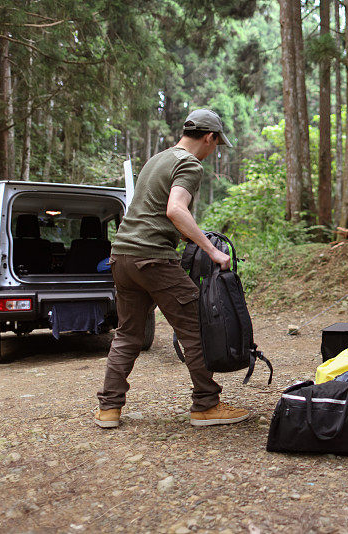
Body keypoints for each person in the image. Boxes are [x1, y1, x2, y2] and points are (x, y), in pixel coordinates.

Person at [95, 109, 250, 429]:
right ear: (209, 137)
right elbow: (175, 209)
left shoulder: (157, 160)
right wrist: (213, 252)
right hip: (152, 259)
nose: (213, 152)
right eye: (216, 145)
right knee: (196, 327)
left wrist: (193, 236)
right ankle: (206, 405)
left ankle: (109, 409)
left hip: (122, 256)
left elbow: (158, 215)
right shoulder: (190, 164)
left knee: (127, 333)